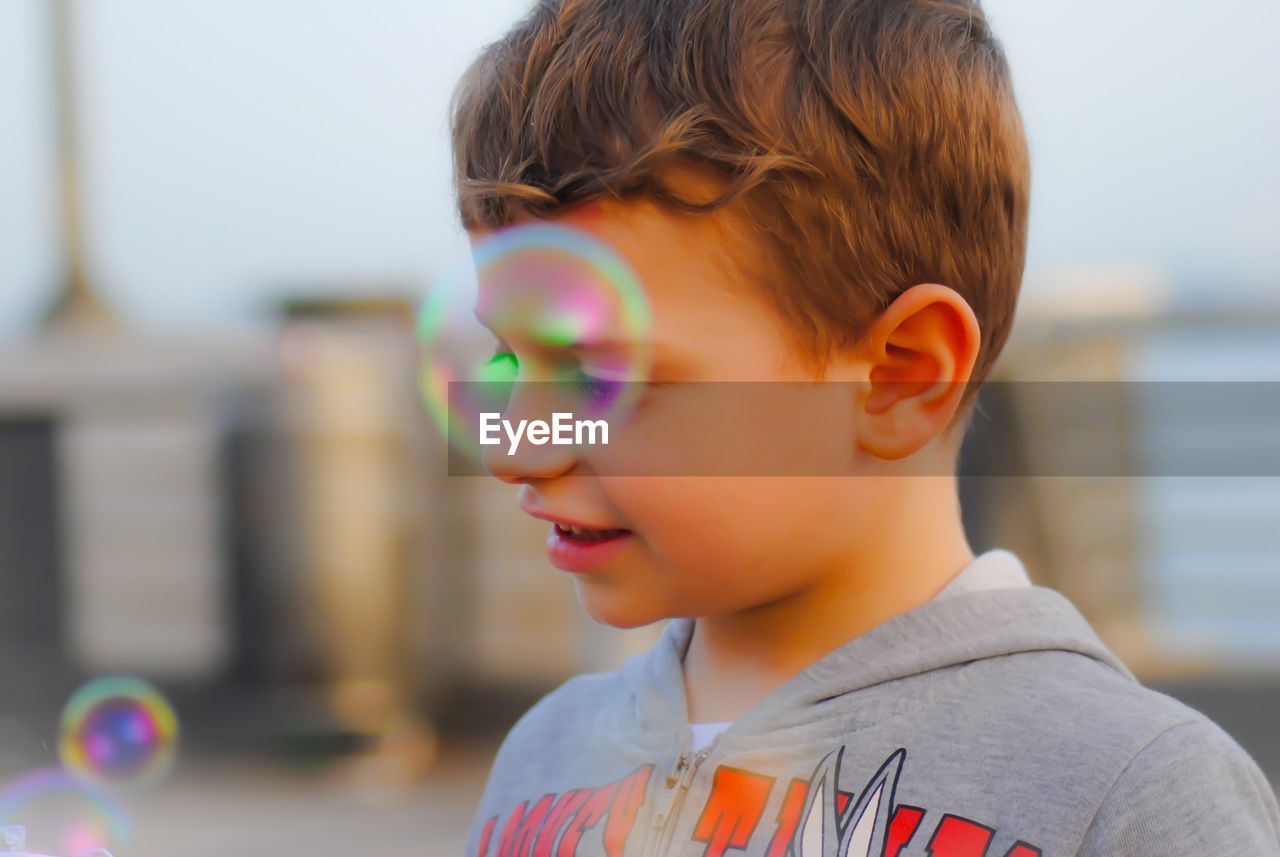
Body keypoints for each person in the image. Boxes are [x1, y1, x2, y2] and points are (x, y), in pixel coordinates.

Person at [447, 1, 1280, 854]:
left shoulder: (1127, 789)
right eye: (509, 361)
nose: (518, 450)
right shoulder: (543, 760)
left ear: (900, 374)